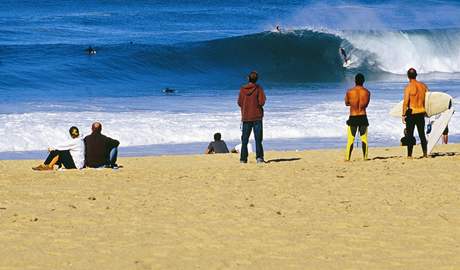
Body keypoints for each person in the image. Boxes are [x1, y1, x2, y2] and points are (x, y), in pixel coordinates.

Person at [238, 71, 266, 163]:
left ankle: (243, 159)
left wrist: (246, 107)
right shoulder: (258, 88)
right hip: (257, 116)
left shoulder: (242, 89)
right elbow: (262, 102)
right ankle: (259, 158)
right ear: (256, 79)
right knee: (258, 139)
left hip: (246, 117)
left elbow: (239, 103)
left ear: (248, 78)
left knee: (244, 140)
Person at [402, 68, 429, 158]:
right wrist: (427, 111)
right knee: (422, 134)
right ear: (416, 75)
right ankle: (425, 153)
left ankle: (410, 155)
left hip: (412, 113)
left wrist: (403, 115)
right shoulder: (423, 86)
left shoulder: (408, 87)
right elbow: (428, 99)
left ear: (408, 76)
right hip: (421, 112)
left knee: (410, 135)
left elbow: (406, 102)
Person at [345, 73, 370, 161]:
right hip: (363, 116)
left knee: (350, 139)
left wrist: (353, 103)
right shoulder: (367, 92)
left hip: (353, 117)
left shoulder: (349, 91)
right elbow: (366, 105)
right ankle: (365, 158)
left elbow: (346, 103)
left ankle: (348, 158)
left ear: (355, 81)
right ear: (363, 81)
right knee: (364, 139)